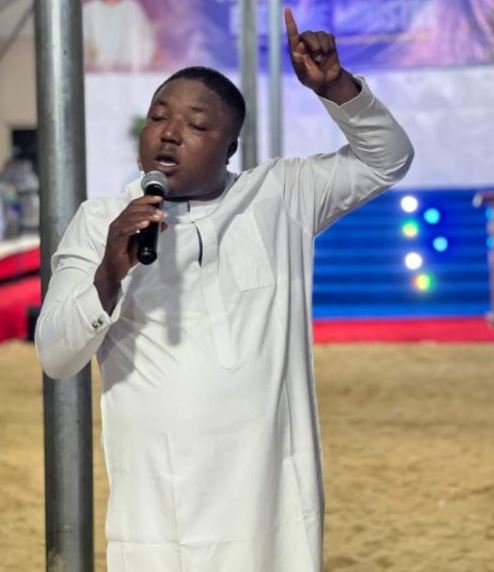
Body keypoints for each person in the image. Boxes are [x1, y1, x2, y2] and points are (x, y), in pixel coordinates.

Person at [36, 9, 413, 572]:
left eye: (196, 125)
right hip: (159, 520)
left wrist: (338, 89)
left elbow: (389, 159)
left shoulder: (282, 195)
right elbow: (55, 356)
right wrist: (108, 275)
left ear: (231, 147)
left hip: (269, 508)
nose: (169, 133)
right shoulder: (100, 222)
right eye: (158, 117)